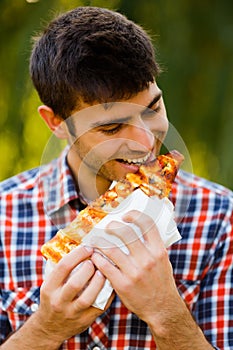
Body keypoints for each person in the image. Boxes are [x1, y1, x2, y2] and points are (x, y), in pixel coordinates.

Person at [0, 6, 232, 350]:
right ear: (56, 123)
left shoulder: (221, 220)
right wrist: (46, 329)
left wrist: (166, 313)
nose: (145, 141)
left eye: (152, 109)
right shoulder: (4, 216)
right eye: (111, 127)